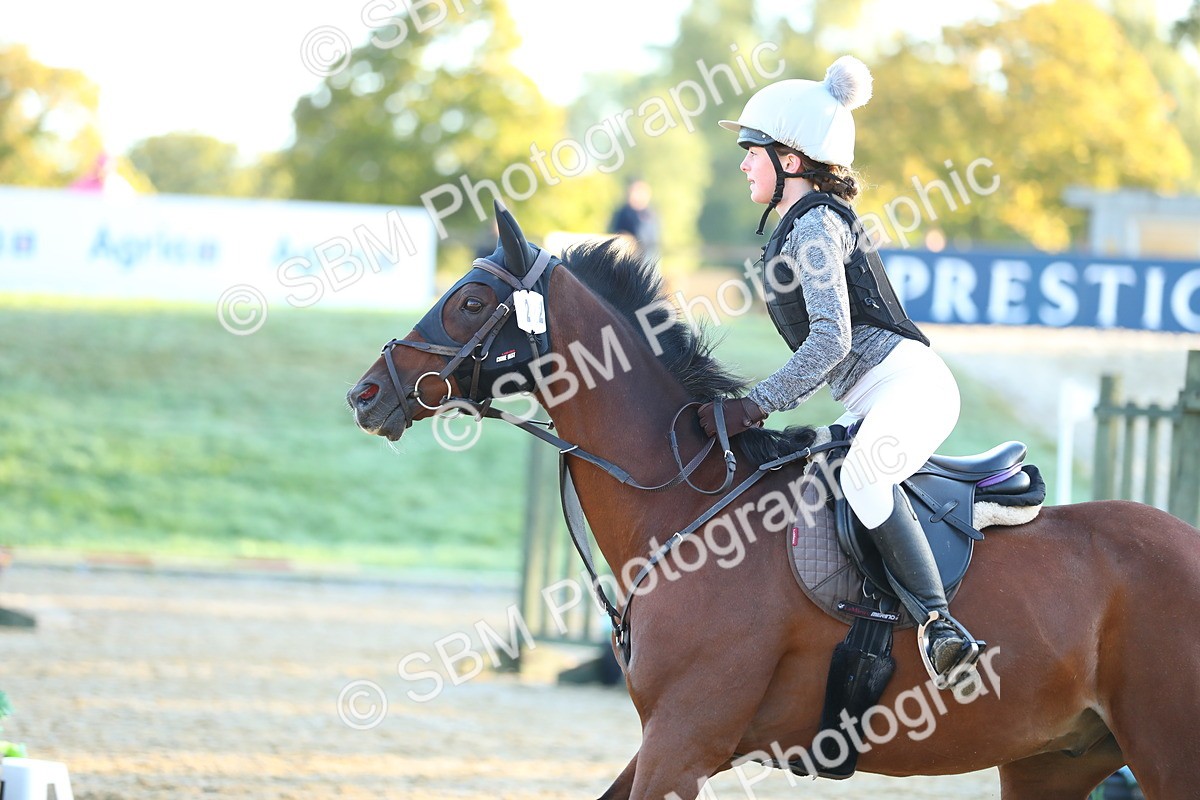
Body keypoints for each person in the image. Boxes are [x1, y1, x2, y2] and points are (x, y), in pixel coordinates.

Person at [697, 56, 985, 688]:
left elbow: (832, 340)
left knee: (861, 476)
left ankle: (939, 626)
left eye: (752, 152)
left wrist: (756, 403)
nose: (744, 164)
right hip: (871, 397)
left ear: (791, 160)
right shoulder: (802, 223)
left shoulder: (817, 225)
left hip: (911, 388)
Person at [608, 178, 660, 257]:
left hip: (647, 255)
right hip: (627, 255)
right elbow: (615, 234)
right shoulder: (623, 213)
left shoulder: (650, 215)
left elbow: (652, 240)